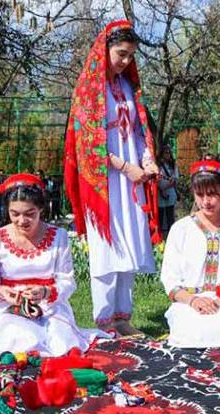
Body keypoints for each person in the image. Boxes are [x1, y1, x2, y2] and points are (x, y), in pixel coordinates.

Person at [63, 19, 161, 336]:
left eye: (131, 56)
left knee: (130, 244)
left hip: (131, 179)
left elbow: (138, 129)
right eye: (121, 54)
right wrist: (125, 167)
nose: (126, 62)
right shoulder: (90, 90)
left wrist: (147, 160)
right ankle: (104, 321)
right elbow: (86, 146)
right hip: (104, 182)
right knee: (108, 248)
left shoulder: (128, 87)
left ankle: (123, 318)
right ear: (104, 50)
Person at [0, 173, 96, 357]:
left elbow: (67, 282)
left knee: (61, 342)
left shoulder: (59, 236)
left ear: (41, 208)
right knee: (23, 340)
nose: (22, 221)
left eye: (30, 214)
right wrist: (2, 292)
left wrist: (45, 292)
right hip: (8, 308)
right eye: (14, 214)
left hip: (50, 305)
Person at [161, 159, 220, 348]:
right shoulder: (181, 229)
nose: (206, 201)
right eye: (200, 194)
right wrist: (194, 300)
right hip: (188, 303)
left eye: (212, 194)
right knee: (187, 332)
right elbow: (170, 280)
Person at [157, 147, 178, 239]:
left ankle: (171, 237)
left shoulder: (173, 165)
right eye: (165, 153)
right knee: (160, 217)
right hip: (159, 193)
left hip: (170, 193)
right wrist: (161, 190)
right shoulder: (157, 165)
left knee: (170, 216)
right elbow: (154, 179)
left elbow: (176, 179)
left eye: (169, 153)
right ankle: (160, 238)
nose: (167, 155)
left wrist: (166, 188)